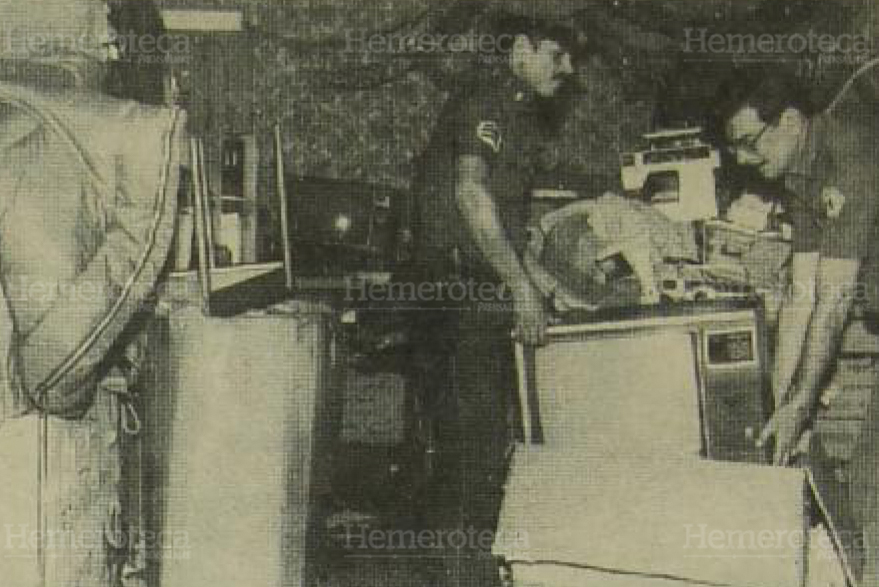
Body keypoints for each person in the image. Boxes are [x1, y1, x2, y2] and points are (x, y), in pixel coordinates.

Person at [0, 1, 185, 584]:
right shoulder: (41, 135)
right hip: (27, 463)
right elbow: (53, 372)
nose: (113, 48)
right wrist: (135, 240)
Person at [407, 15, 578, 587]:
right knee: (469, 459)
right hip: (459, 298)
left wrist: (540, 286)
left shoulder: (514, 109)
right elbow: (471, 195)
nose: (568, 68)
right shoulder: (488, 99)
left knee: (478, 456)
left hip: (474, 295)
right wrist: (521, 288)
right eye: (558, 54)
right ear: (522, 48)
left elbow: (500, 226)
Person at [717, 68, 879, 582]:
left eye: (748, 143)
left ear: (789, 120)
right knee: (865, 497)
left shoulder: (851, 152)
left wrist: (801, 406)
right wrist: (783, 414)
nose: (743, 160)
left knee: (873, 503)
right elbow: (800, 297)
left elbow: (833, 301)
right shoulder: (800, 173)